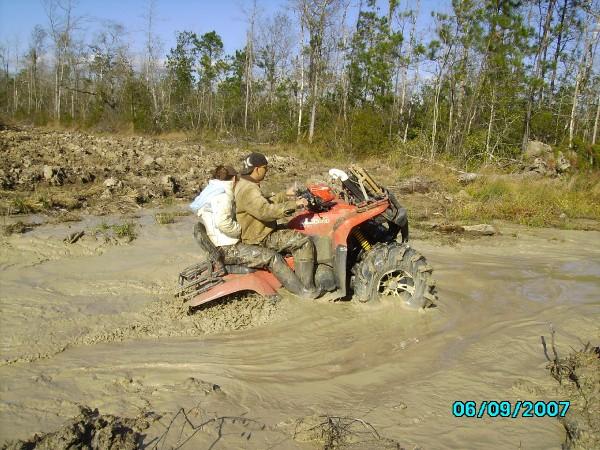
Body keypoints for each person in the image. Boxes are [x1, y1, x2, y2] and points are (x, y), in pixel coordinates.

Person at [190, 164, 319, 299]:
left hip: (221, 245)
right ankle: (302, 291)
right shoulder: (222, 196)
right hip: (229, 248)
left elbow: (260, 204)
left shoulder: (212, 192)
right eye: (237, 178)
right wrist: (239, 230)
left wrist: (283, 196)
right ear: (233, 179)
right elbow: (223, 222)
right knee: (272, 257)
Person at [234, 152, 321, 298]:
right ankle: (306, 288)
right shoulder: (249, 189)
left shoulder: (244, 183)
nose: (266, 171)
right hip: (260, 237)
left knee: (291, 226)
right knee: (303, 241)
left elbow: (264, 202)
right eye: (265, 168)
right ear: (257, 169)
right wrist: (295, 204)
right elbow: (265, 211)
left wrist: (285, 195)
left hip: (260, 231)